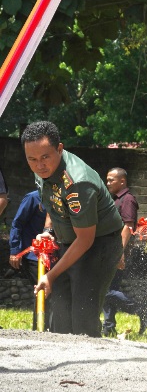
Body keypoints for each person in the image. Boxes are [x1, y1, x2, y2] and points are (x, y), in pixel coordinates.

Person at [21, 121, 124, 337]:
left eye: (45, 157)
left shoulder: (77, 183)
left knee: (82, 321)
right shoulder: (43, 169)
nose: (39, 165)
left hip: (97, 245)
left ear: (60, 148)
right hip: (67, 243)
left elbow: (86, 240)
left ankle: (93, 368)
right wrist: (48, 232)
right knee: (61, 319)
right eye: (32, 159)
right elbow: (52, 201)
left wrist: (51, 276)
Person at [102, 167, 147, 336]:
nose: (107, 183)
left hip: (117, 252)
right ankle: (108, 327)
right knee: (110, 288)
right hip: (110, 251)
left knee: (105, 290)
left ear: (122, 181)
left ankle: (140, 309)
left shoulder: (127, 200)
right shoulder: (115, 199)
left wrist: (119, 252)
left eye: (111, 180)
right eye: (107, 180)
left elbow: (128, 227)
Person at [8, 189, 47, 329]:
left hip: (55, 254)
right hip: (33, 255)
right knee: (42, 289)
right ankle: (39, 327)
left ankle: (46, 327)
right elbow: (17, 223)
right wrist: (15, 250)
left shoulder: (60, 197)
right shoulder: (33, 198)